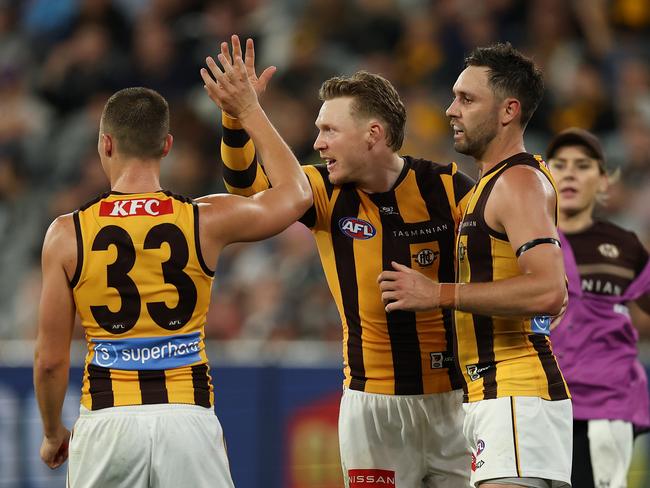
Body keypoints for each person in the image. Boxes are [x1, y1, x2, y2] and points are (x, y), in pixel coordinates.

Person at [33, 38, 312, 487]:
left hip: (108, 418)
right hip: (188, 418)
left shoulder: (67, 233)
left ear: (105, 144)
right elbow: (297, 194)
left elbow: (49, 361)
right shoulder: (204, 218)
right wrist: (246, 110)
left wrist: (52, 433)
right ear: (167, 146)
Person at [220, 36, 474, 487]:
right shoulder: (322, 191)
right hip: (370, 405)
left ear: (373, 134)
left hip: (456, 402)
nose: (318, 143)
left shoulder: (448, 189)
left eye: (330, 131)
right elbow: (248, 191)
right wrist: (237, 115)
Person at [378, 43, 572, 488]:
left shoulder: (519, 182)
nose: (450, 110)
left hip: (516, 395)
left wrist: (438, 294)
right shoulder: (486, 187)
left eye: (467, 99)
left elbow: (548, 290)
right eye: (453, 96)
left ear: (508, 110)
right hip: (492, 398)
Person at [546, 127, 650, 488]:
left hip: (606, 404)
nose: (571, 173)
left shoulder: (625, 246)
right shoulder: (519, 238)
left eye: (584, 165)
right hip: (539, 400)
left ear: (604, 181)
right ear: (544, 176)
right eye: (560, 164)